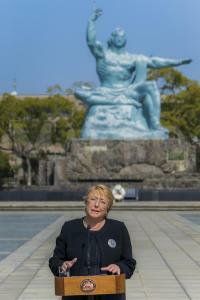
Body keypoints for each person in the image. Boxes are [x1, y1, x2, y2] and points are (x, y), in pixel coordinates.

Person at [75, 8, 191, 132]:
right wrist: (91, 22)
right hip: (106, 90)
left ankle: (154, 124)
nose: (119, 38)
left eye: (122, 37)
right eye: (117, 36)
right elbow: (91, 42)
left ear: (125, 40)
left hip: (127, 91)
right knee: (79, 92)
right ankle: (113, 102)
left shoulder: (132, 58)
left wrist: (177, 62)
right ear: (112, 39)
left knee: (151, 86)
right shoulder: (103, 54)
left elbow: (154, 62)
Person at [49, 184, 136, 300]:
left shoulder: (118, 229)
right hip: (75, 295)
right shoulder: (69, 228)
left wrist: (119, 267)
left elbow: (129, 263)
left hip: (110, 295)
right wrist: (62, 266)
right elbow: (55, 261)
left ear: (107, 208)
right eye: (93, 199)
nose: (96, 205)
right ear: (86, 202)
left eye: (102, 202)